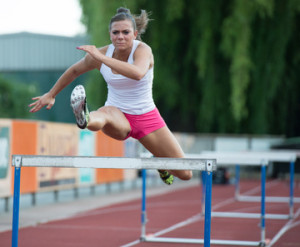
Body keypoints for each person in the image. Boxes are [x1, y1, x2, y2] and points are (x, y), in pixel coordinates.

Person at [29, 7, 192, 185]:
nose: (120, 37)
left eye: (125, 32)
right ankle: (85, 117)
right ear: (110, 34)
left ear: (135, 33)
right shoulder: (100, 54)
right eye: (115, 32)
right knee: (104, 114)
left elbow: (137, 73)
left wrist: (101, 58)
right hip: (117, 114)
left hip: (147, 116)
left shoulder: (142, 50)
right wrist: (51, 94)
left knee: (185, 173)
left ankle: (159, 162)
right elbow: (75, 70)